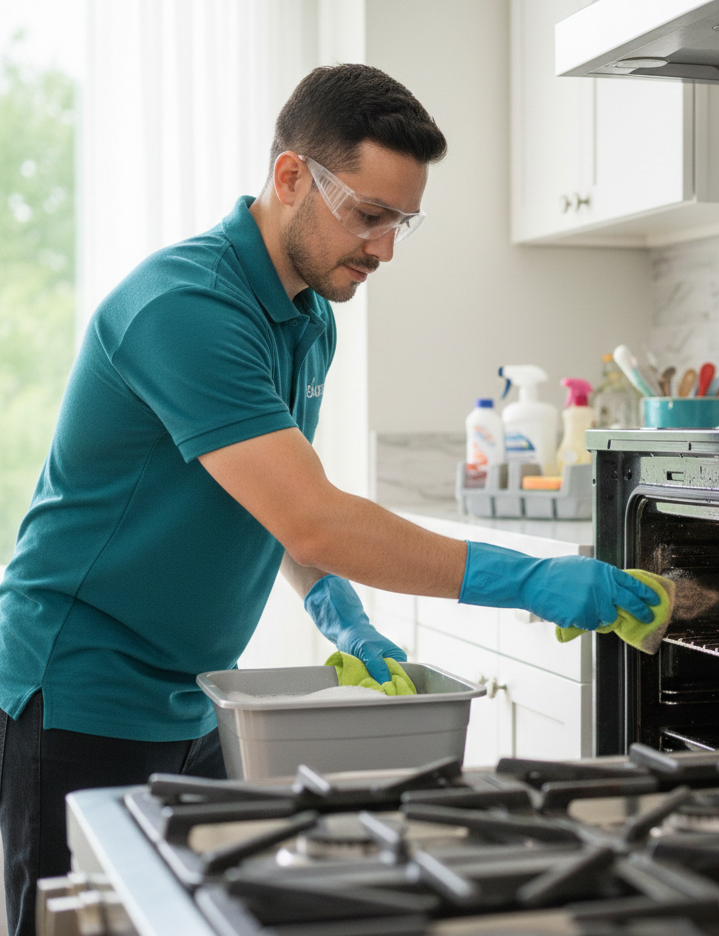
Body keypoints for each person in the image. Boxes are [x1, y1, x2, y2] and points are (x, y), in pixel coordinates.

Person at [0, 64, 657, 934]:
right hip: (76, 693)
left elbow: (276, 508)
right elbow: (313, 516)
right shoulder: (187, 307)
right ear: (288, 178)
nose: (385, 248)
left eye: (402, 222)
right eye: (370, 214)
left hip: (192, 694)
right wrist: (528, 580)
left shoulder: (310, 315)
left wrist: (337, 611)